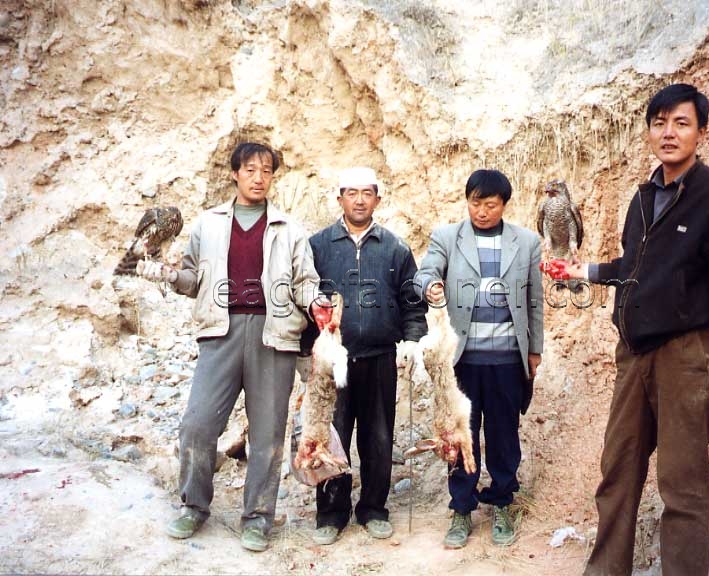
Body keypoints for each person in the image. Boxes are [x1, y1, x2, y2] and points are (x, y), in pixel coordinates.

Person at [562, 84, 709, 575]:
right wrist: (582, 271)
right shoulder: (643, 196)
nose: (668, 133)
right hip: (634, 355)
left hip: (685, 356)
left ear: (702, 132)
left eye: (681, 123)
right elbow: (634, 266)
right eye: (659, 122)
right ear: (649, 131)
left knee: (682, 483)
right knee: (618, 472)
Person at [136, 141, 329, 552]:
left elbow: (303, 282)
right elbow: (191, 280)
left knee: (268, 433)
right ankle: (193, 506)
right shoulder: (208, 225)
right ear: (235, 174)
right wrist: (168, 275)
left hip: (274, 335)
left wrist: (317, 301)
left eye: (267, 171)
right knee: (198, 424)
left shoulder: (289, 229)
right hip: (219, 333)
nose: (259, 178)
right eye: (251, 170)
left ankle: (258, 517)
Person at [415, 169, 544, 549]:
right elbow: (424, 272)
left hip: (507, 358)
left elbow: (534, 300)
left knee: (504, 434)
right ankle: (461, 508)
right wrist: (430, 285)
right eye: (475, 203)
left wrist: (534, 350)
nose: (482, 212)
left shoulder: (526, 242)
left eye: (490, 205)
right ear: (466, 200)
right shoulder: (447, 237)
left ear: (504, 205)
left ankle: (502, 501)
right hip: (463, 359)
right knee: (460, 435)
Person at [301, 167, 428, 545]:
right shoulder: (318, 246)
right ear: (339, 198)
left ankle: (374, 509)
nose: (359, 199)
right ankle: (331, 513)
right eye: (351, 192)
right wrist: (309, 352)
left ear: (377, 199)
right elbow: (303, 299)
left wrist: (412, 342)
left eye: (367, 193)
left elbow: (412, 302)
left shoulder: (394, 247)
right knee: (331, 437)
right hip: (331, 361)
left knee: (377, 437)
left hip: (379, 357)